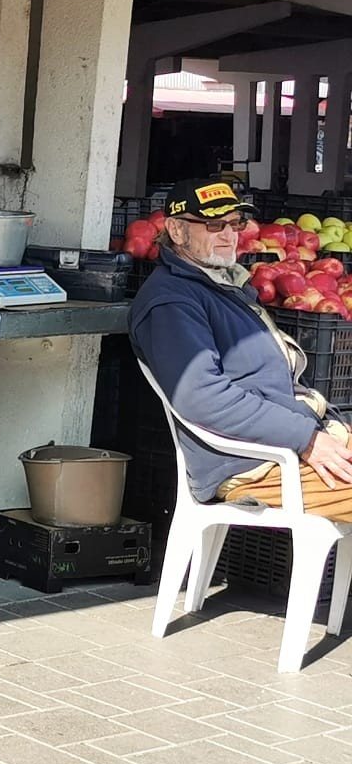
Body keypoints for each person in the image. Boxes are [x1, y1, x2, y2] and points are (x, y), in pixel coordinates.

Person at [130, 179, 352, 517]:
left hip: (299, 437)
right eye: (213, 225)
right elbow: (202, 398)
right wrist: (305, 437)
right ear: (176, 230)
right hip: (253, 462)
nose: (228, 235)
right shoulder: (170, 301)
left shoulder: (223, 285)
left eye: (234, 224)